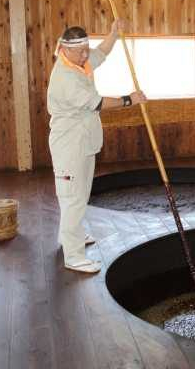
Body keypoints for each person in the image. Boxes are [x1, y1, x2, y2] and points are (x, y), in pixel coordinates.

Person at [47, 21, 146, 273]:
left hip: (84, 141)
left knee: (78, 195)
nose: (85, 55)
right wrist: (129, 99)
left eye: (85, 49)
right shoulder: (66, 78)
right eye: (80, 51)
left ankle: (71, 236)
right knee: (72, 198)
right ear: (63, 49)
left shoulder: (79, 61)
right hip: (69, 146)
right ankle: (74, 256)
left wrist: (113, 34)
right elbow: (98, 103)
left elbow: (100, 53)